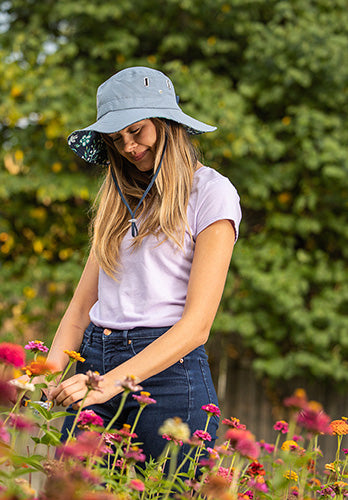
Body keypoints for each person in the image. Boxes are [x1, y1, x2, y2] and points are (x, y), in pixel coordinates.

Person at [45, 66, 241, 467]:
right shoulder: (117, 201)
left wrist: (108, 385)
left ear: (167, 124)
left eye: (136, 131)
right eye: (116, 139)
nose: (129, 147)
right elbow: (81, 309)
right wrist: (44, 372)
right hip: (95, 362)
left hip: (169, 376)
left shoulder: (212, 194)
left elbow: (197, 325)